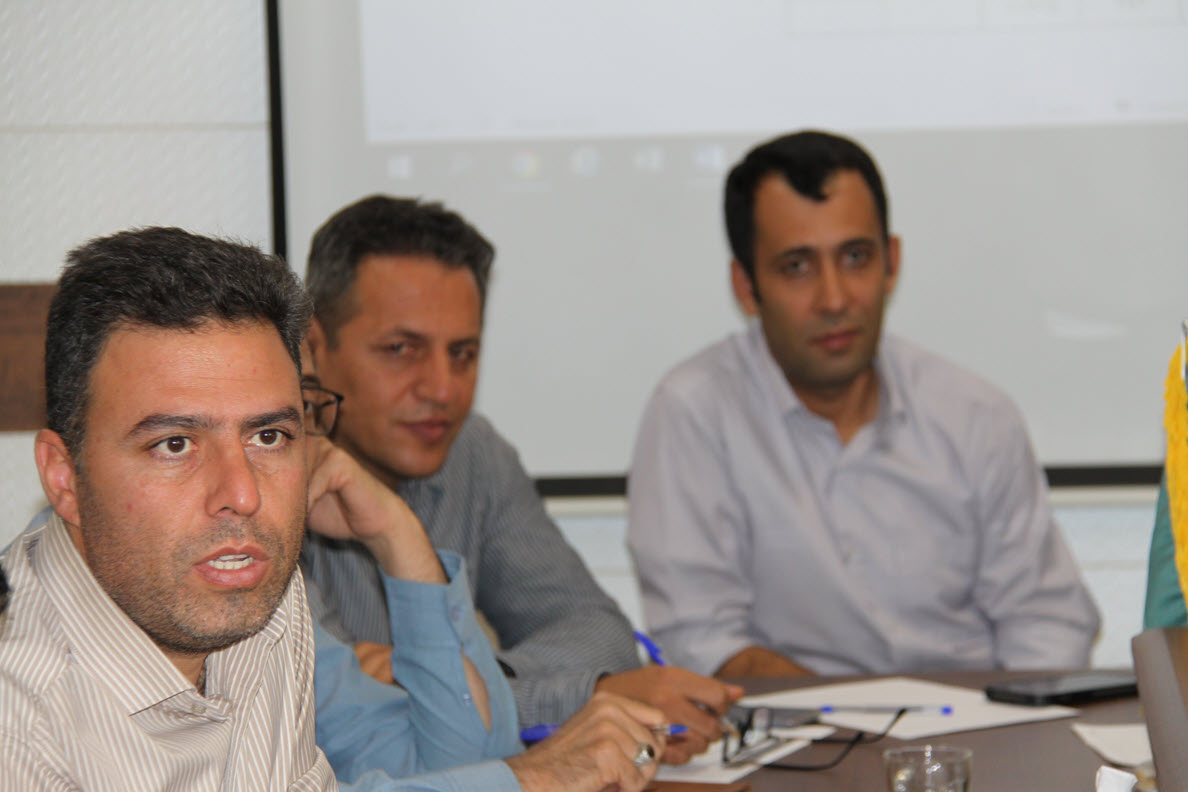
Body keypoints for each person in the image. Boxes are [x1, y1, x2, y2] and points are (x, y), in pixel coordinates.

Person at [0, 226, 668, 792]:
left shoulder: (261, 603)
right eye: (175, 444)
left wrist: (401, 538)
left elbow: (453, 759)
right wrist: (535, 779)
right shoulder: (18, 716)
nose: (243, 494)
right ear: (63, 477)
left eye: (269, 436)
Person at [627, 130, 1100, 679]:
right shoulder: (693, 414)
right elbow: (700, 640)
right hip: (791, 726)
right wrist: (846, 720)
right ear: (746, 287)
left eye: (855, 257)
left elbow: (1048, 624)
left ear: (891, 263)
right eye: (797, 267)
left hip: (978, 719)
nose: (834, 299)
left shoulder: (974, 415)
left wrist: (1016, 720)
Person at [300, 195, 741, 763]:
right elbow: (340, 720)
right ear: (312, 348)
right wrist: (583, 695)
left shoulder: (471, 451)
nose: (442, 388)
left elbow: (597, 630)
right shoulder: (260, 479)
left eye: (463, 353)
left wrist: (458, 679)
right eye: (402, 349)